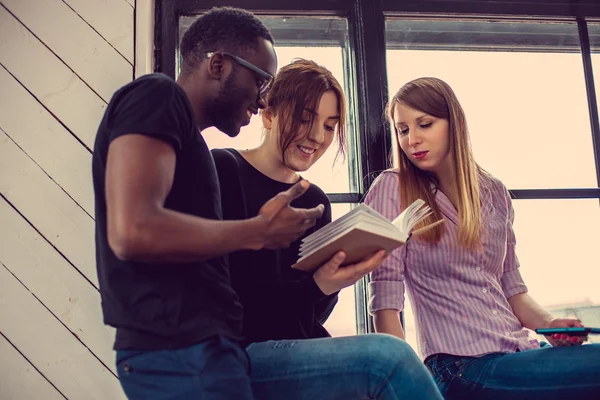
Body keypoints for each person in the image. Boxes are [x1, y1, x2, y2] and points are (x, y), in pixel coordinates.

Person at [92, 7, 325, 400]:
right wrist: (257, 232)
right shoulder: (156, 94)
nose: (263, 97)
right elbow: (133, 231)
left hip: (207, 353)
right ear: (218, 64)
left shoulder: (193, 144)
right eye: (260, 79)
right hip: (182, 352)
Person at [211, 60, 444, 400]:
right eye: (305, 119)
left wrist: (333, 282)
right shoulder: (223, 170)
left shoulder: (315, 200)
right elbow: (232, 306)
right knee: (387, 357)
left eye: (330, 126)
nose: (317, 137)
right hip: (236, 355)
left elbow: (305, 320)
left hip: (293, 352)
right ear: (269, 114)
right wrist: (317, 285)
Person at [364, 76, 600, 400]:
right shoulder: (393, 188)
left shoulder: (496, 193)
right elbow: (386, 303)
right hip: (458, 368)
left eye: (425, 124)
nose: (412, 139)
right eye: (403, 130)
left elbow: (514, 291)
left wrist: (551, 322)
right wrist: (407, 386)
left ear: (453, 123)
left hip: (518, 351)